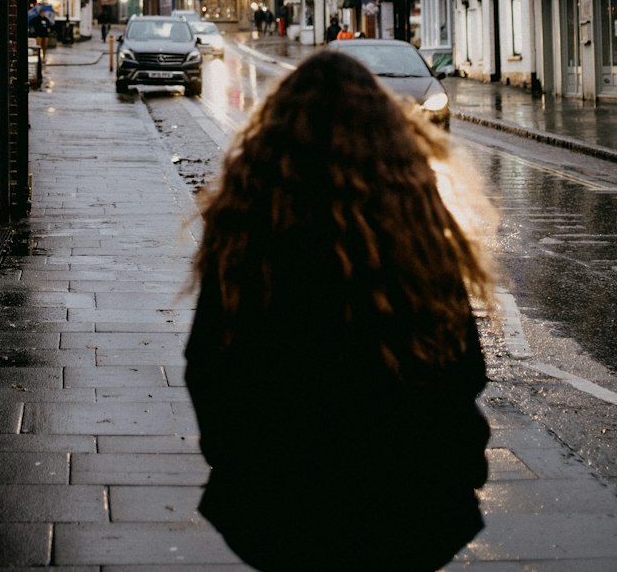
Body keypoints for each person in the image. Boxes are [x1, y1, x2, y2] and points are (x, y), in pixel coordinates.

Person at [185, 50, 492, 572]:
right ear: (389, 137)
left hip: (281, 505)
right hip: (408, 504)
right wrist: (460, 466)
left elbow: (210, 366)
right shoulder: (415, 225)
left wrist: (236, 463)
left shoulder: (248, 231)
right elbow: (463, 368)